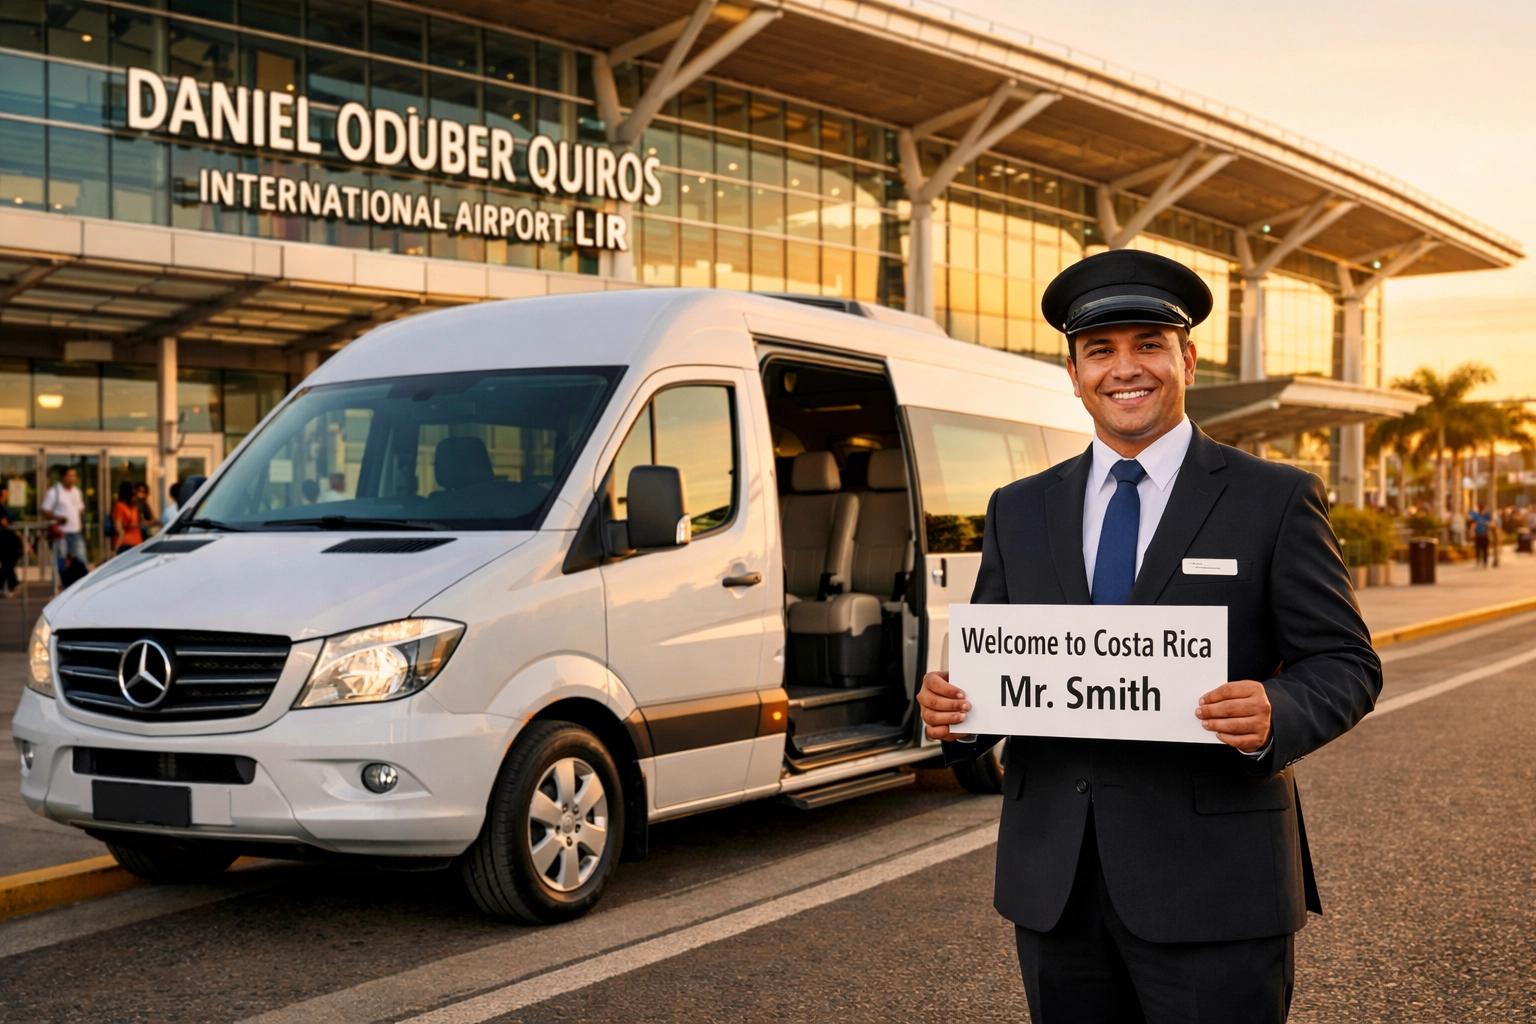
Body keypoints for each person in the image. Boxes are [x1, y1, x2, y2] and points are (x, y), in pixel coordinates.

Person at [918, 249, 1381, 1024]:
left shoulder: (1274, 499)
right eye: (1100, 350)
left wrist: (1276, 711)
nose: (1124, 368)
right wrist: (953, 712)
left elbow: (1345, 662)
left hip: (1216, 886)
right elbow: (996, 665)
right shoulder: (1018, 508)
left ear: (1187, 359)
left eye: (1148, 345)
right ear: (1072, 372)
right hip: (1056, 887)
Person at [41, 467, 88, 574]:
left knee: (81, 558)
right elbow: (45, 511)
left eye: (74, 476)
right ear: (62, 477)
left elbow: (80, 510)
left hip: (76, 532)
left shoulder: (77, 492)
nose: (73, 478)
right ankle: (61, 584)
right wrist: (58, 518)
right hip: (61, 533)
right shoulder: (54, 492)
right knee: (61, 560)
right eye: (70, 476)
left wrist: (82, 525)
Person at [0, 484, 24, 597]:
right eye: (6, 492)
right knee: (8, 562)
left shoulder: (3, 507)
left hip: (6, 539)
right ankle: (13, 584)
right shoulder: (0, 508)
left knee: (7, 563)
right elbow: (4, 522)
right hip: (4, 539)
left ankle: (12, 584)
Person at [110, 481, 143, 555]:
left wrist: (115, 549)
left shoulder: (119, 506)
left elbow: (119, 530)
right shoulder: (133, 507)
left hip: (124, 544)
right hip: (137, 542)